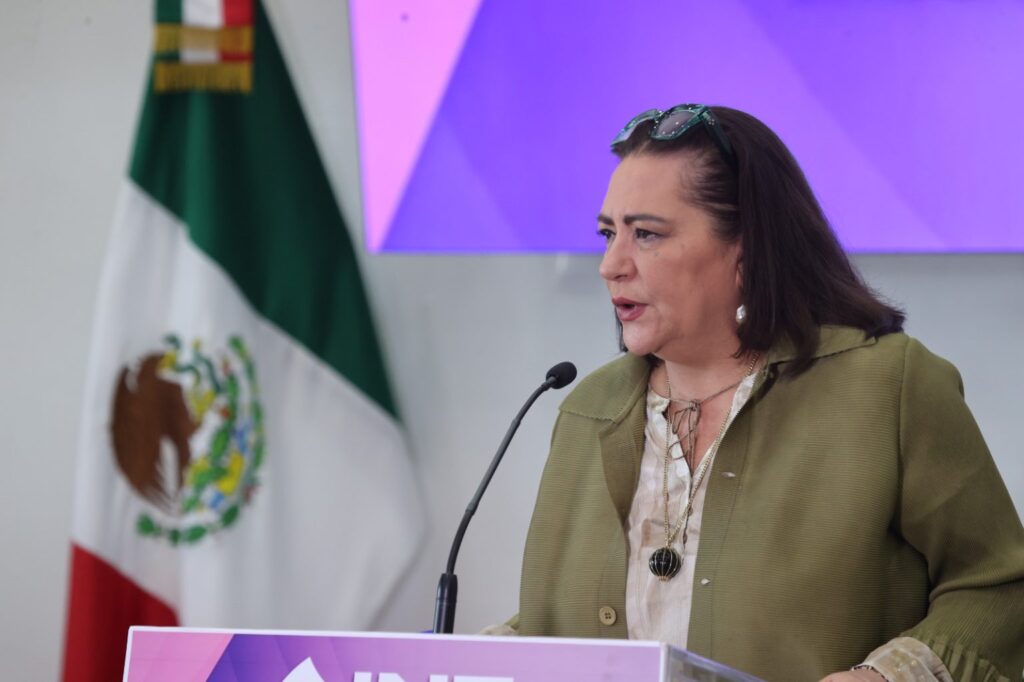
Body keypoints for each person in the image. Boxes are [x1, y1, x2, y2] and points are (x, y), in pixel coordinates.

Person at [501, 105, 1024, 681]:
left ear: (745, 253)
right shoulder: (589, 408)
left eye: (646, 234)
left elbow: (1000, 589)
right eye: (609, 234)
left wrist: (885, 677)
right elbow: (553, 624)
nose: (611, 264)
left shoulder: (886, 387)